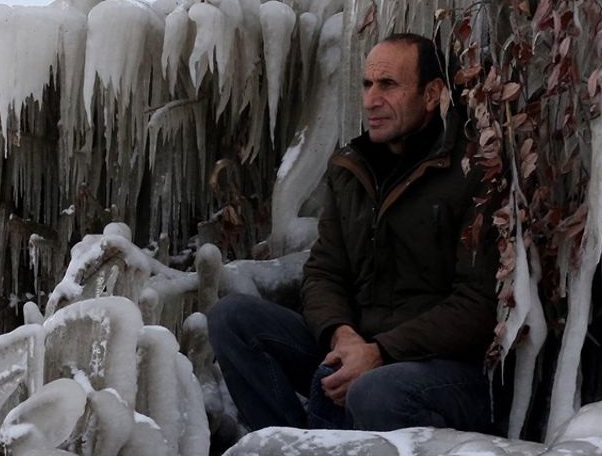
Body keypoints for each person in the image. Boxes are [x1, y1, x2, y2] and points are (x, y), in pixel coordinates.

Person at [208, 33, 498, 433]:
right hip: (357, 347)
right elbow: (324, 272)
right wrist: (341, 336)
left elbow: (478, 305)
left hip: (440, 368)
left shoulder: (471, 171)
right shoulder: (351, 169)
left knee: (374, 391)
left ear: (432, 94)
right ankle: (290, 443)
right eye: (366, 84)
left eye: (388, 85)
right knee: (232, 318)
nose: (370, 100)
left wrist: (381, 352)